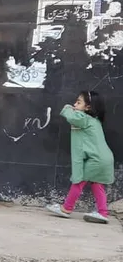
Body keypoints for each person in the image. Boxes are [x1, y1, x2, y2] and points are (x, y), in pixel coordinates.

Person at [46, 90, 115, 224]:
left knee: (79, 181)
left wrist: (67, 108)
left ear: (88, 107)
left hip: (96, 159)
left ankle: (66, 209)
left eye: (78, 102)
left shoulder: (84, 119)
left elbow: (73, 117)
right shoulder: (94, 120)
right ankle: (103, 212)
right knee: (96, 184)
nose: (74, 104)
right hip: (103, 158)